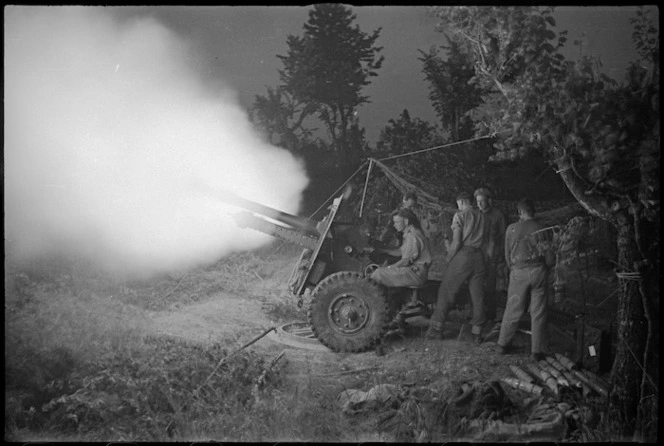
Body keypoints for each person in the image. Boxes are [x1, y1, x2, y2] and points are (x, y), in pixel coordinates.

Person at [426, 192, 492, 344]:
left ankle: (436, 329)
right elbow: (488, 242)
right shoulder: (483, 217)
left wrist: (448, 259)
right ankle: (477, 334)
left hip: (464, 256)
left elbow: (456, 242)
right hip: (479, 258)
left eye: (458, 204)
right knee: (478, 297)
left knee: (446, 290)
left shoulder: (460, 216)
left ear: (462, 202)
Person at [496, 199, 554, 362]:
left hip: (518, 272)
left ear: (520, 213)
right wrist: (548, 267)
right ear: (533, 212)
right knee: (538, 311)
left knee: (513, 307)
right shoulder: (541, 228)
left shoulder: (511, 229)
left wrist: (513, 268)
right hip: (538, 272)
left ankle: (502, 344)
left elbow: (507, 256)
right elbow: (549, 256)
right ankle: (536, 351)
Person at [369, 208, 432, 320]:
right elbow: (400, 252)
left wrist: (388, 268)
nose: (394, 225)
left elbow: (405, 261)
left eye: (397, 222)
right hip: (415, 270)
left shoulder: (413, 235)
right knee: (382, 272)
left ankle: (376, 312)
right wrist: (383, 250)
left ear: (406, 221)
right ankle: (387, 309)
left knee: (378, 274)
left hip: (416, 273)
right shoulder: (409, 233)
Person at [474, 188, 506, 323]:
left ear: (489, 201)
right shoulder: (475, 215)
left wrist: (501, 256)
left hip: (492, 256)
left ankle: (491, 315)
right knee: (476, 285)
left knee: (490, 286)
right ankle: (476, 314)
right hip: (477, 255)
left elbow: (504, 236)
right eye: (477, 202)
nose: (480, 204)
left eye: (482, 201)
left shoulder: (498, 215)